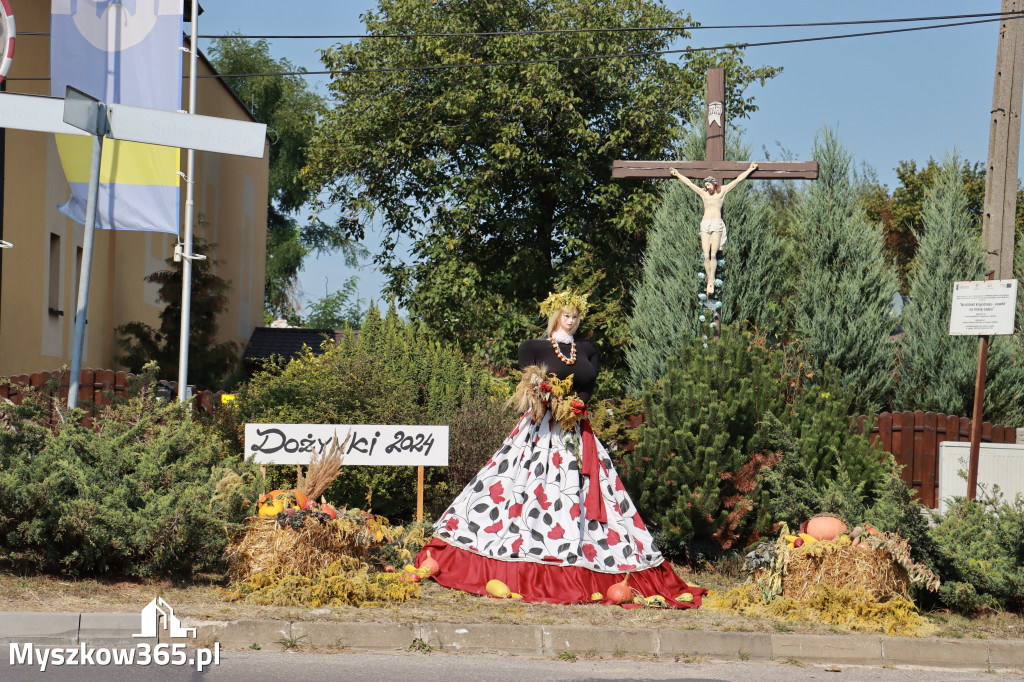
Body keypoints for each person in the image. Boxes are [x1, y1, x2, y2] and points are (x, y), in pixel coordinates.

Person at [416, 290, 706, 607]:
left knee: (582, 490)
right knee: (525, 488)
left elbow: (588, 387)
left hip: (577, 430)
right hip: (540, 429)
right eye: (566, 314)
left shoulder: (589, 350)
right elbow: (530, 383)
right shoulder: (533, 347)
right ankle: (520, 546)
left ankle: (586, 551)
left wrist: (578, 403)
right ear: (556, 315)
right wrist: (547, 395)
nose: (571, 320)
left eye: (576, 316)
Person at [669, 162, 758, 295]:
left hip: (716, 223)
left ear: (714, 184)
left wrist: (750, 169)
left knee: (712, 254)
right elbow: (689, 183)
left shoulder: (722, 192)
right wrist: (677, 174)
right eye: (706, 186)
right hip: (705, 223)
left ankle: (712, 279)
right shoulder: (703, 193)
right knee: (705, 254)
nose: (707, 187)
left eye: (709, 185)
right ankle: (709, 278)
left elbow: (738, 179)